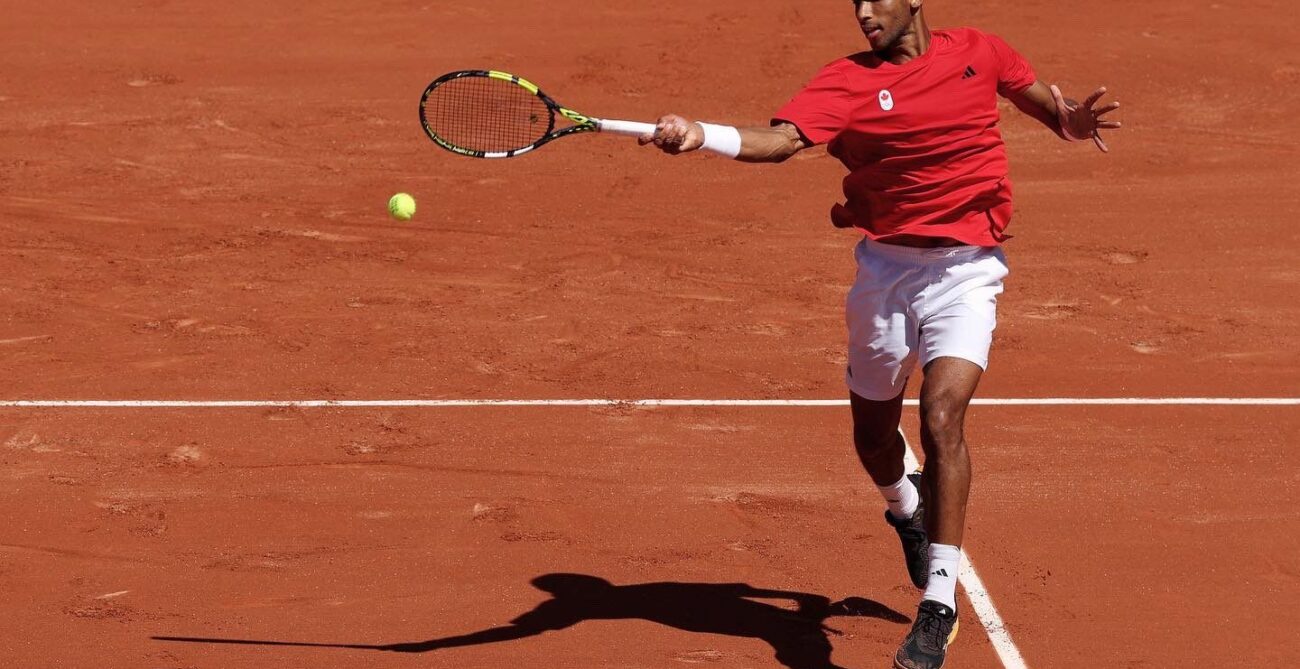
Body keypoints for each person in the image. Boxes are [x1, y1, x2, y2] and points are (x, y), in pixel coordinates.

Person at [639, 1, 1121, 667]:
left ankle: (938, 602)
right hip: (886, 271)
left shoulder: (982, 51)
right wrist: (701, 133)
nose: (864, 13)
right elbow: (779, 141)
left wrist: (1070, 123)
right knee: (873, 436)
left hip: (967, 269)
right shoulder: (845, 82)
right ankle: (904, 506)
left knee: (942, 413)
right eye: (855, 3)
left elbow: (1044, 105)